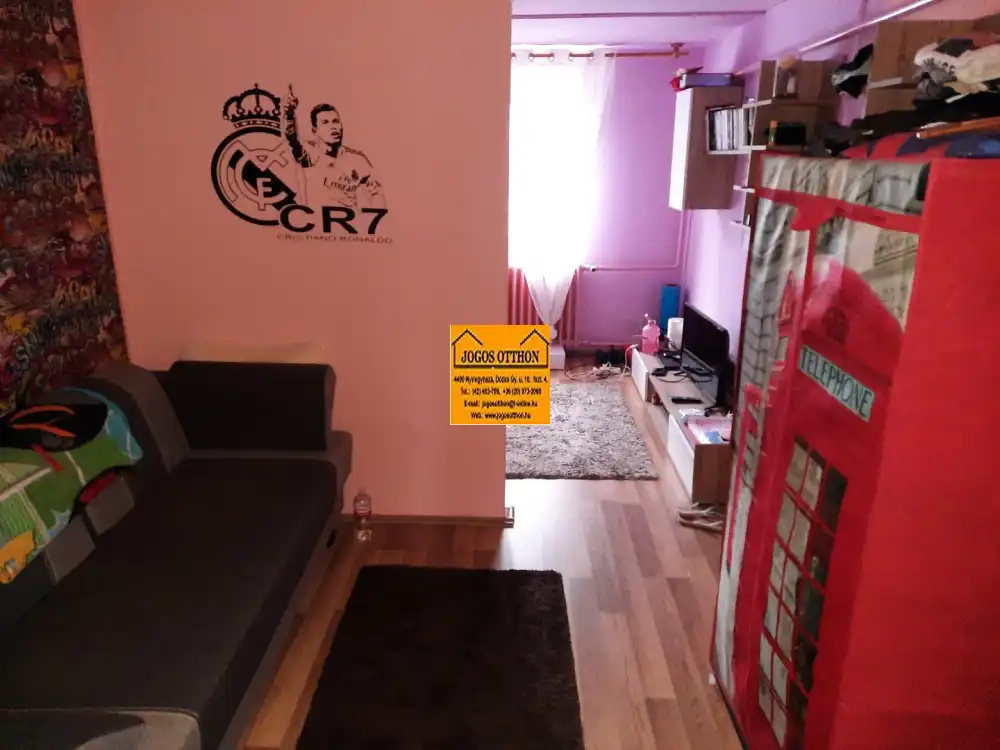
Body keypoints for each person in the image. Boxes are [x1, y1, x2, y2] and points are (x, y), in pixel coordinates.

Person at [282, 85, 385, 210]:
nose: (333, 126)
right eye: (325, 123)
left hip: (348, 220)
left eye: (335, 121)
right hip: (318, 220)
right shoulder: (309, 155)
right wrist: (289, 115)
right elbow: (292, 139)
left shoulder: (358, 160)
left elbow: (376, 194)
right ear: (315, 130)